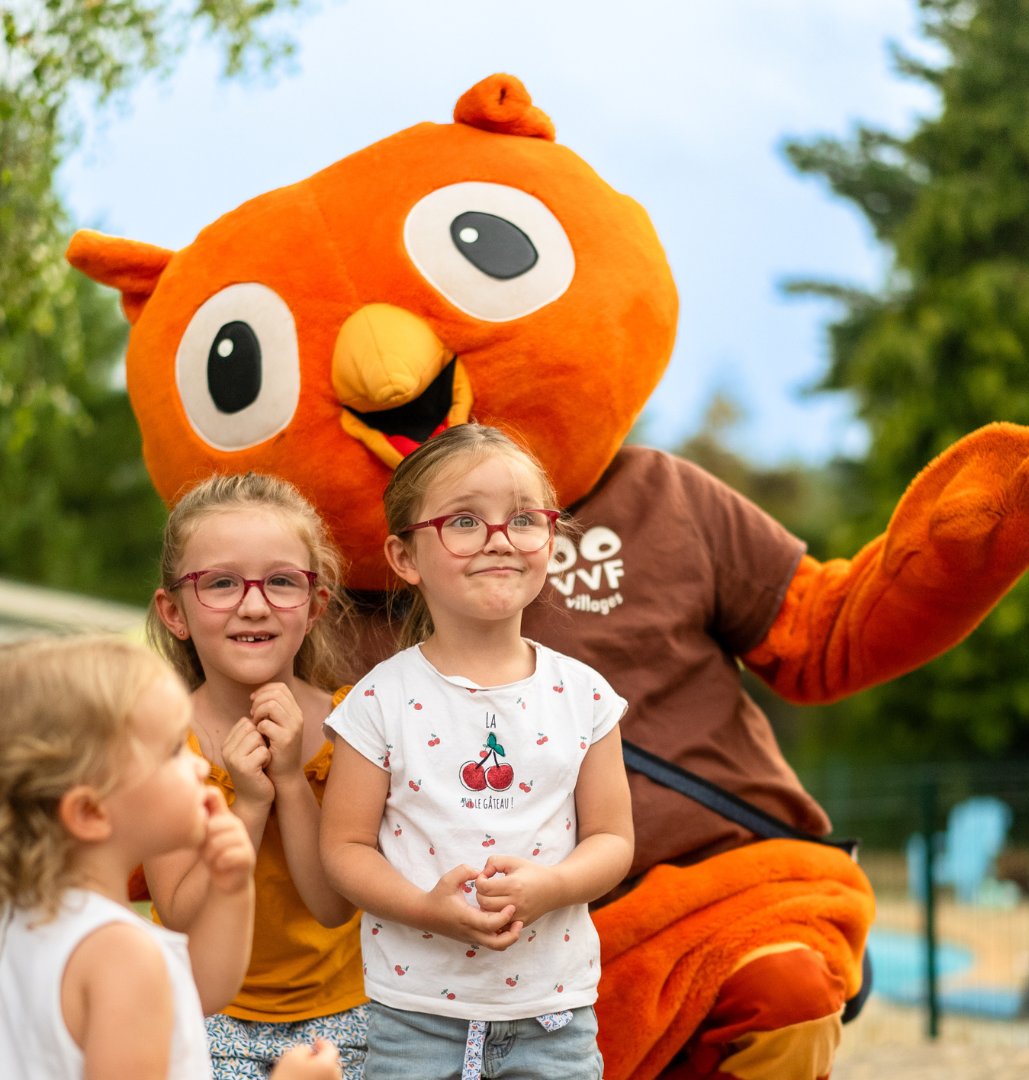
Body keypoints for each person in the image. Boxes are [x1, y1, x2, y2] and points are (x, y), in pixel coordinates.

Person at [320, 423, 635, 1080]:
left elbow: (612, 840)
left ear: (549, 539)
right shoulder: (378, 701)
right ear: (405, 558)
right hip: (408, 1018)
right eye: (465, 521)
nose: (499, 540)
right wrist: (425, 908)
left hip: (554, 1019)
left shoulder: (585, 697)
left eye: (523, 519)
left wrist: (552, 888)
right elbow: (344, 850)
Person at [0, 634, 342, 1080]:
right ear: (90, 812)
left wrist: (231, 887)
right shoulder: (121, 955)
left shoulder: (30, 919)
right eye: (174, 751)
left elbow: (200, 990)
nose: (201, 765)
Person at [146, 473, 368, 1079]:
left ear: (314, 605)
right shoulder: (161, 741)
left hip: (350, 1014)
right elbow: (183, 911)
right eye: (219, 583)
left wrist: (292, 781)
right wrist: (247, 804)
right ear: (176, 612)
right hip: (209, 1013)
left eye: (280, 582)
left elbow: (333, 908)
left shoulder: (355, 725)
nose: (253, 603)